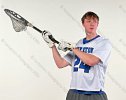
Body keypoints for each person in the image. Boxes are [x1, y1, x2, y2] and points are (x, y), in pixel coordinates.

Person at [42, 11, 112, 100]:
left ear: (98, 24)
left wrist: (72, 48)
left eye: (94, 21)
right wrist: (52, 46)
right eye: (88, 21)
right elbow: (60, 63)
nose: (92, 24)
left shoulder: (103, 42)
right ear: (83, 24)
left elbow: (91, 61)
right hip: (74, 92)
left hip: (94, 92)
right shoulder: (78, 44)